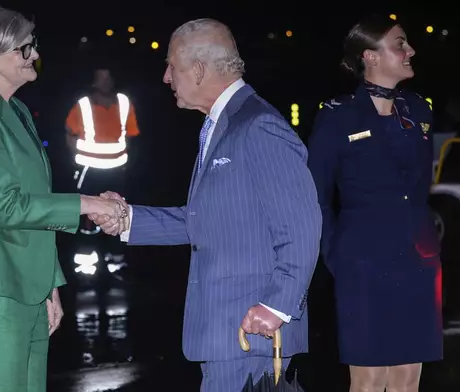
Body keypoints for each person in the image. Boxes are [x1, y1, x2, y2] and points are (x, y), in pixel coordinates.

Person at [92, 18, 321, 391]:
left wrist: (277, 306)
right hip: (225, 335)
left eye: (172, 66)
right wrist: (127, 218)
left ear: (198, 70)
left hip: (252, 334)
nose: (167, 77)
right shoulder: (221, 125)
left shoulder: (258, 126)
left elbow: (302, 226)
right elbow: (205, 220)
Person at [0, 7, 128, 392]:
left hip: (27, 284)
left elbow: (35, 203)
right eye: (24, 49)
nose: (35, 56)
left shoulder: (16, 110)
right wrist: (89, 204)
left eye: (33, 46)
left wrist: (49, 285)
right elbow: (6, 205)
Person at [307, 15, 443, 392]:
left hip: (417, 260)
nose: (410, 50)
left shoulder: (419, 111)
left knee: (407, 376)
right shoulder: (338, 115)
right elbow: (315, 195)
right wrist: (335, 253)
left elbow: (417, 189)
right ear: (370, 56)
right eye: (399, 43)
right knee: (367, 378)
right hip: (362, 263)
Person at [66, 67, 140, 238]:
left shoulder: (123, 102)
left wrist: (128, 162)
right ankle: (87, 246)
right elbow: (69, 133)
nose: (105, 83)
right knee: (88, 212)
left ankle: (115, 251)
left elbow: (132, 135)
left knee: (117, 210)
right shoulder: (83, 105)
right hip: (90, 169)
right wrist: (74, 160)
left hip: (117, 170)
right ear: (94, 82)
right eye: (101, 79)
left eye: (108, 78)